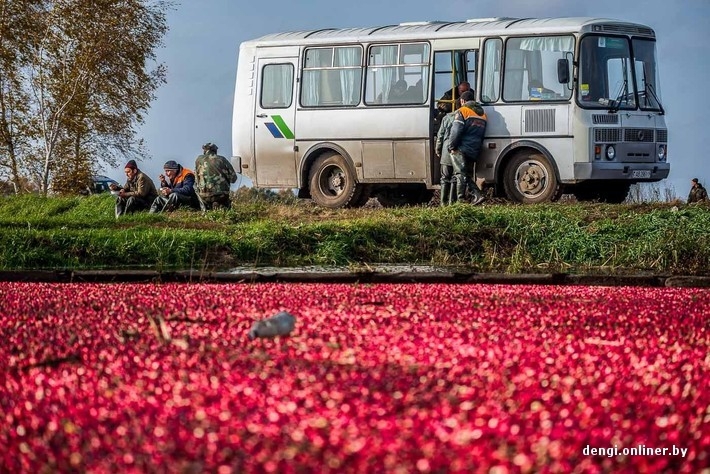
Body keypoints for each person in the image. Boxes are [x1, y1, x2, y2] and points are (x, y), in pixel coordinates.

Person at [448, 90, 487, 205]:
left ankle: (461, 201)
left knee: (460, 174)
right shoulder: (482, 114)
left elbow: (456, 131)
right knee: (466, 175)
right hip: (474, 149)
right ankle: (477, 196)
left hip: (462, 148)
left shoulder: (462, 111)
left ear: (462, 100)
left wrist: (452, 146)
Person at [195, 142, 238, 210]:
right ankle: (221, 206)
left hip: (204, 194)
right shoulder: (222, 159)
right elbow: (234, 179)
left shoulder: (199, 160)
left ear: (204, 151)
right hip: (221, 194)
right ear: (215, 150)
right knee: (223, 202)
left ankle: (205, 208)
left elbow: (196, 178)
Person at [435, 110, 458, 206]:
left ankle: (443, 203)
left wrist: (438, 149)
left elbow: (440, 135)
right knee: (454, 178)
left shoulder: (446, 118)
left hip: (446, 150)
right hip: (457, 150)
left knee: (444, 177)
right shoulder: (462, 117)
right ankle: (451, 203)